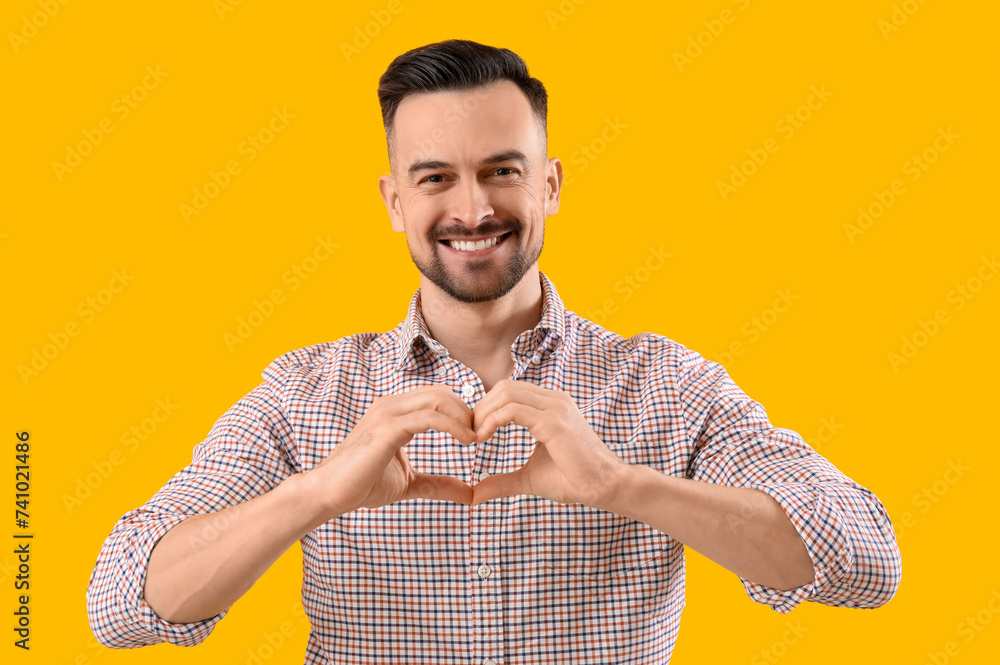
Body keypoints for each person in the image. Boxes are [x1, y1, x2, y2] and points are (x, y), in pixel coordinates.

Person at [87, 39, 901, 663]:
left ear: (548, 184)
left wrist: (623, 486)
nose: (473, 208)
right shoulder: (307, 392)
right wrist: (316, 494)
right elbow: (120, 601)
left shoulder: (667, 385)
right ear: (395, 200)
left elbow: (867, 560)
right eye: (435, 177)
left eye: (501, 170)